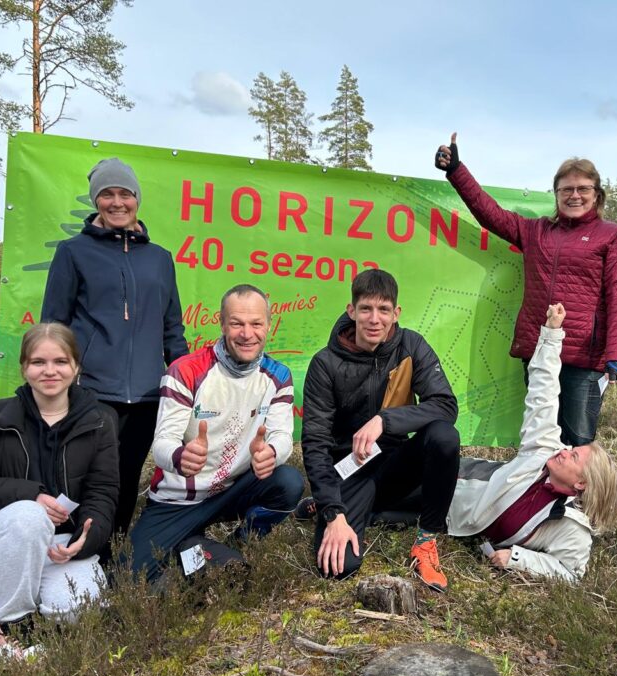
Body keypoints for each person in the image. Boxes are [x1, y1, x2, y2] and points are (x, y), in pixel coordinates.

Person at [435, 133, 617, 445]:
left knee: (579, 442)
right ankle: (540, 495)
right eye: (566, 189)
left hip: (584, 359)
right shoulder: (536, 231)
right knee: (539, 439)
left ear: (597, 194)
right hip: (540, 353)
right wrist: (457, 171)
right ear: (556, 194)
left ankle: (578, 496)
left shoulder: (613, 236)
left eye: (583, 189)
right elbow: (490, 214)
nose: (575, 195)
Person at [0, 323, 118, 660]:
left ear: (76, 366)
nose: (50, 371)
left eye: (61, 361)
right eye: (38, 362)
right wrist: (30, 494)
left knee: (79, 609)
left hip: (59, 546)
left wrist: (85, 541)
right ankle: (11, 626)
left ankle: (36, 599)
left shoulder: (101, 420)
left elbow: (103, 492)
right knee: (28, 516)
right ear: (23, 367)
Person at [42, 157, 188, 546]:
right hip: (93, 390)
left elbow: (172, 327)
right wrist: (60, 381)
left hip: (146, 394)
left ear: (137, 199)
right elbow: (53, 326)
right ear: (96, 201)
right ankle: (72, 546)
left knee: (125, 476)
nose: (117, 202)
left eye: (125, 193)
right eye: (107, 194)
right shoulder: (73, 253)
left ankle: (111, 555)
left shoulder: (160, 259)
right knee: (88, 475)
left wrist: (186, 379)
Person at [127, 285, 304, 581]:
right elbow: (162, 443)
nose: (247, 334)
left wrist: (272, 453)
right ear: (222, 324)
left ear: (268, 326)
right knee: (134, 579)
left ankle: (240, 543)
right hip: (179, 500)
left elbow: (283, 435)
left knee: (288, 482)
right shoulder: (185, 370)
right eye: (237, 323)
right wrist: (180, 457)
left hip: (233, 490)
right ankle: (201, 549)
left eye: (256, 324)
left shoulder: (279, 375)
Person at [301, 269, 460, 590]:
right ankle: (328, 504)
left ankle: (426, 542)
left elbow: (445, 405)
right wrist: (334, 513)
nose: (375, 319)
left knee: (444, 437)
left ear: (396, 313)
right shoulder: (325, 363)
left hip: (396, 462)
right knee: (338, 568)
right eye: (366, 309)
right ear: (351, 311)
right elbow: (315, 444)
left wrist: (386, 421)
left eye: (384, 310)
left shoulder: (411, 346)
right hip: (349, 470)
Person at [447, 304, 617, 581]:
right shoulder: (545, 449)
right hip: (447, 479)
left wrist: (519, 559)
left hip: (444, 520)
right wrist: (552, 333)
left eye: (573, 457)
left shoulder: (572, 528)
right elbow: (544, 391)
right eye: (571, 449)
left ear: (580, 484)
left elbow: (571, 574)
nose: (564, 451)